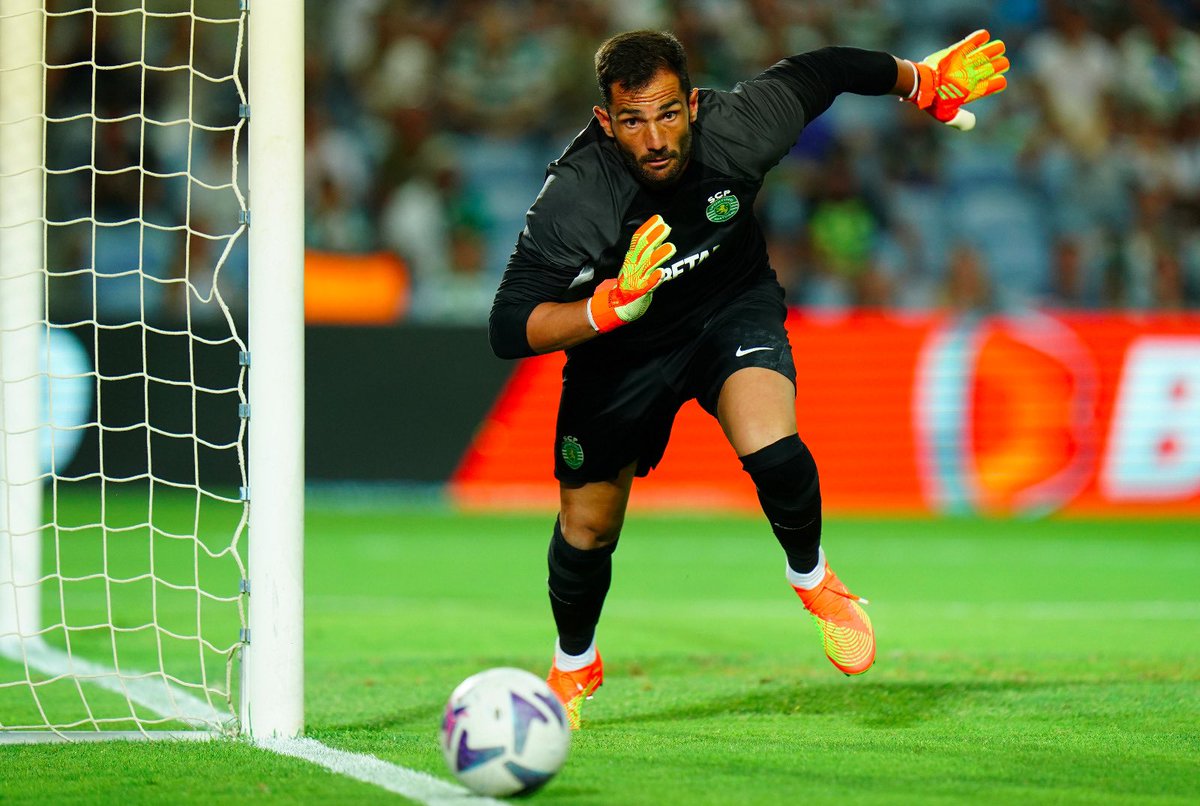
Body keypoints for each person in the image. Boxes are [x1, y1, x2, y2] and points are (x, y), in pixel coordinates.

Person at [488, 29, 1008, 729]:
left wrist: (917, 79)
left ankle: (815, 581)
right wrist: (604, 307)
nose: (656, 138)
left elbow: (825, 70)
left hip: (729, 309)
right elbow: (508, 324)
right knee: (587, 528)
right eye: (634, 121)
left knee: (772, 445)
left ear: (694, 104)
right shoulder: (576, 197)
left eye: (669, 112)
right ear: (607, 121)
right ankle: (574, 663)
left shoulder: (741, 125)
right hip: (621, 350)